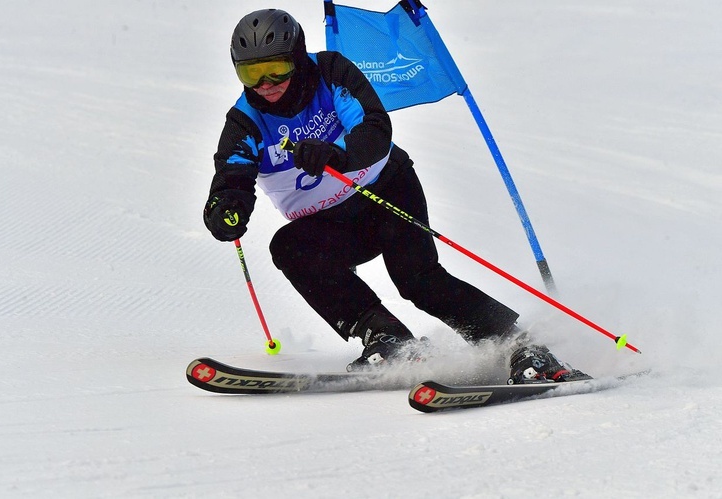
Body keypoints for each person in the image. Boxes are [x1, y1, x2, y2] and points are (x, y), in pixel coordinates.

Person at [204, 8, 589, 380]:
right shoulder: (245, 122)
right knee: (288, 247)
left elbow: (374, 127)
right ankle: (388, 339)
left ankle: (522, 347)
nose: (265, 85)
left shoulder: (331, 72)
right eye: (251, 73)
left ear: (298, 57)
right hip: (330, 224)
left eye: (276, 69)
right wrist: (226, 209)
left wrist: (339, 155)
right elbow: (233, 178)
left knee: (418, 279)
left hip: (386, 193)